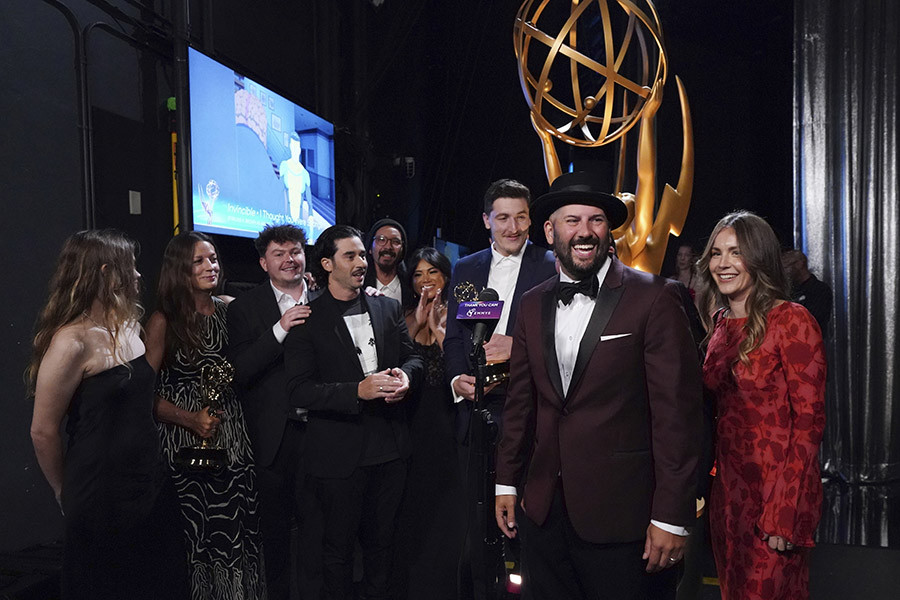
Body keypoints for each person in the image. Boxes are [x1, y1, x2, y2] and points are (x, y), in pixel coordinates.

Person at [494, 171, 703, 600]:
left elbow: (677, 417)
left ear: (608, 231)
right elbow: (521, 403)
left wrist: (671, 516)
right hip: (544, 514)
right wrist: (507, 483)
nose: (585, 232)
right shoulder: (531, 303)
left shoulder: (656, 296)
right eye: (572, 221)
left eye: (596, 221)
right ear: (550, 230)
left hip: (625, 518)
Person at [28, 229, 187, 600]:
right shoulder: (72, 342)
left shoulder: (130, 327)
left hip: (149, 484)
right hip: (100, 495)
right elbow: (42, 431)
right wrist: (62, 491)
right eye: (129, 268)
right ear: (105, 274)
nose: (137, 276)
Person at [284, 225, 423, 600]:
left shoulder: (387, 306)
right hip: (337, 456)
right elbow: (298, 390)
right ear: (327, 264)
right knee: (338, 552)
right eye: (351, 256)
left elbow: (414, 357)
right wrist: (356, 392)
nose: (362, 262)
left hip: (390, 450)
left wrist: (406, 378)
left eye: (363, 254)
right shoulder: (307, 318)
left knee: (383, 549)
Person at [697, 212, 826, 600]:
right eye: (716, 253)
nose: (723, 263)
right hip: (729, 494)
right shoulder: (719, 324)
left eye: (736, 253)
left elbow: (809, 421)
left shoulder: (791, 319)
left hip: (777, 493)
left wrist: (785, 508)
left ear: (759, 257)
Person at [145, 231, 266, 600]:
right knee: (202, 538)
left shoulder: (232, 309)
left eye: (212, 259)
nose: (210, 266)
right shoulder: (163, 320)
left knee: (241, 532)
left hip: (234, 440)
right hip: (187, 446)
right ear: (179, 269)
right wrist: (190, 418)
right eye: (199, 261)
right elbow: (143, 396)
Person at [227, 224, 322, 599]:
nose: (289, 260)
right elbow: (239, 372)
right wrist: (279, 329)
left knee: (321, 536)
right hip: (272, 441)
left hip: (323, 434)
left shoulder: (325, 299)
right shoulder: (244, 308)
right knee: (276, 542)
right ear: (264, 262)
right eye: (279, 254)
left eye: (295, 251)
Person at [394, 247, 465, 599]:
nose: (426, 281)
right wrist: (419, 324)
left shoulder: (461, 316)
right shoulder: (403, 315)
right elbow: (395, 360)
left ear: (446, 277)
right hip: (410, 422)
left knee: (446, 505)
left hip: (447, 423)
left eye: (432, 273)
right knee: (411, 508)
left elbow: (460, 365)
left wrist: (437, 330)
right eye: (419, 275)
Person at [781, 248, 833, 334]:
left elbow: (812, 320)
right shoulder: (788, 290)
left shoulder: (820, 289)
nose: (784, 273)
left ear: (799, 264)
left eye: (786, 267)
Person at [363, 218, 413, 305]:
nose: (388, 247)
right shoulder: (359, 287)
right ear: (370, 248)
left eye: (395, 241)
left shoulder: (412, 288)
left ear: (402, 250)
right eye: (381, 239)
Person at [281, 132, 313, 225]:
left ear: (299, 149)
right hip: (286, 214)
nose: (295, 150)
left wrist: (310, 213)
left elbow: (308, 195)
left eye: (297, 147)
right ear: (290, 147)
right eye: (293, 146)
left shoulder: (305, 173)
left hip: (299, 216)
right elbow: (279, 189)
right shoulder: (284, 166)